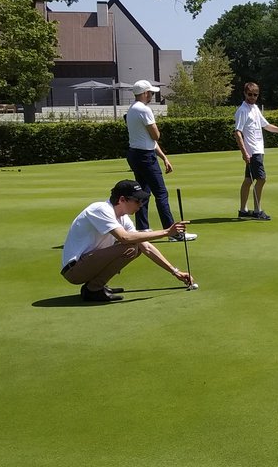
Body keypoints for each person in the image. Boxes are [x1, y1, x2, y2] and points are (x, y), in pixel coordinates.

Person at [60, 179, 193, 302]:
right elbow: (124, 237)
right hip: (74, 271)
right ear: (122, 199)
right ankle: (93, 289)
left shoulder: (122, 217)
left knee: (136, 247)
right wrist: (166, 232)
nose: (140, 205)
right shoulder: (101, 209)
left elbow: (146, 247)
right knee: (129, 247)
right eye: (137, 201)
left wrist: (175, 272)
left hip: (88, 263)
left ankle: (97, 285)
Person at [125, 79, 195, 241]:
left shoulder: (131, 109)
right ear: (144, 93)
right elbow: (155, 136)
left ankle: (142, 230)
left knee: (142, 193)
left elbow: (149, 141)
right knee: (161, 193)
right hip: (145, 157)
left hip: (135, 154)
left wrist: (164, 157)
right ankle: (173, 233)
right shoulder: (144, 110)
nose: (151, 95)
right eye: (150, 93)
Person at [235, 82, 278, 221]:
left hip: (258, 150)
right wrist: (244, 153)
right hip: (253, 151)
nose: (252, 97)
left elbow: (265, 125)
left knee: (248, 180)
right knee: (261, 179)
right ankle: (257, 210)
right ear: (245, 93)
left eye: (255, 95)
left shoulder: (254, 108)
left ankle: (243, 210)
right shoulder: (242, 110)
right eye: (250, 94)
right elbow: (237, 132)